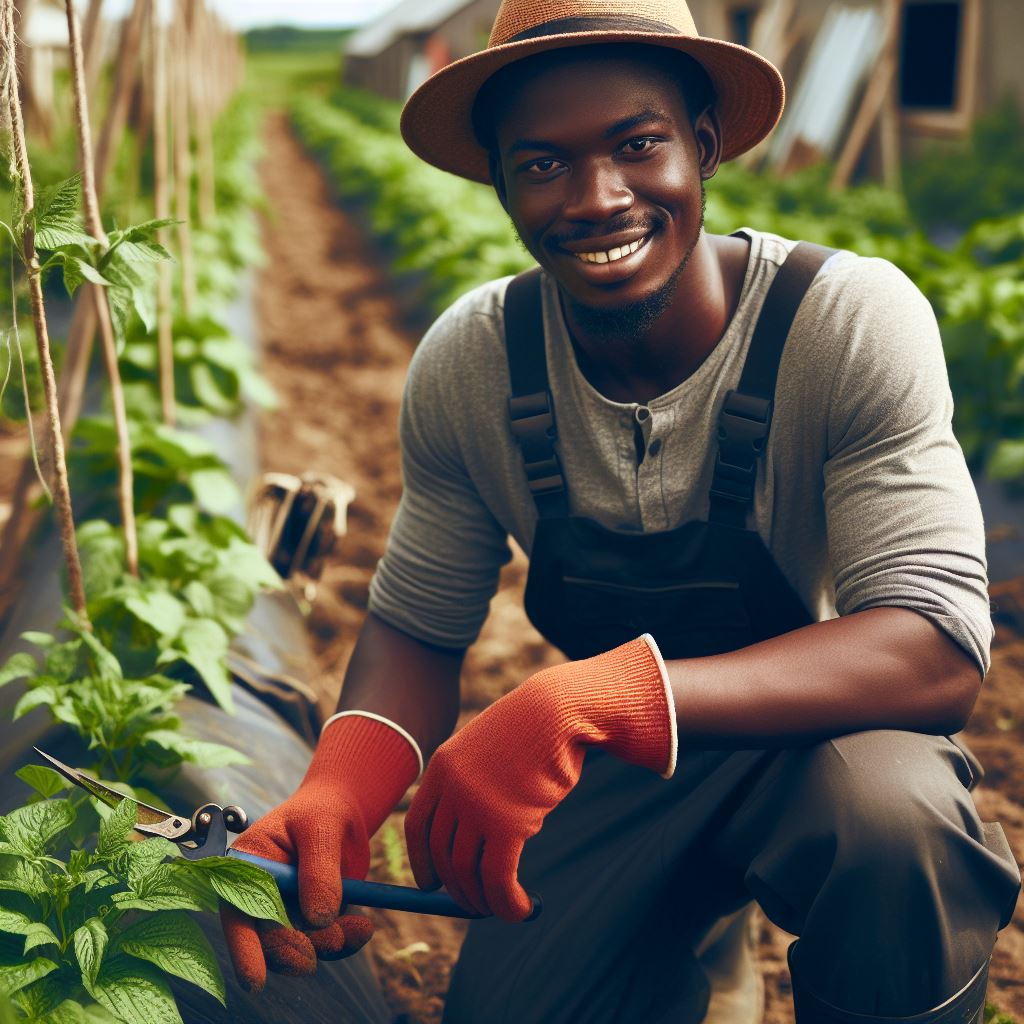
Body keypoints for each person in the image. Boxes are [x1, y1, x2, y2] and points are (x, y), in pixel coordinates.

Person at [221, 2, 1022, 1021]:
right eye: (543, 164)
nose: (596, 198)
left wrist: (594, 696)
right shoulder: (476, 365)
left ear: (701, 144)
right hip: (624, 772)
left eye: (636, 145)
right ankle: (691, 930)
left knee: (897, 820)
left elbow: (936, 648)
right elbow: (419, 628)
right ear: (503, 186)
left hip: (820, 739)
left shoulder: (843, 322)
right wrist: (340, 785)